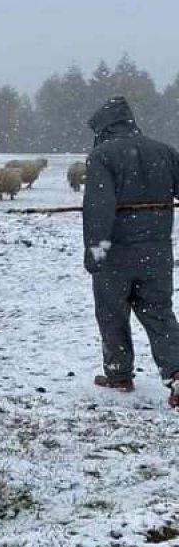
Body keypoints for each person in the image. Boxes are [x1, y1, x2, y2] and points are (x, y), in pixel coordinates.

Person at [82, 96, 179, 408]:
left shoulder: (102, 155)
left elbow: (99, 208)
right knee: (159, 312)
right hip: (158, 252)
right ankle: (177, 373)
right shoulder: (164, 152)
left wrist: (96, 249)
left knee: (112, 312)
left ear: (104, 128)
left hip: (117, 252)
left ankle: (119, 374)